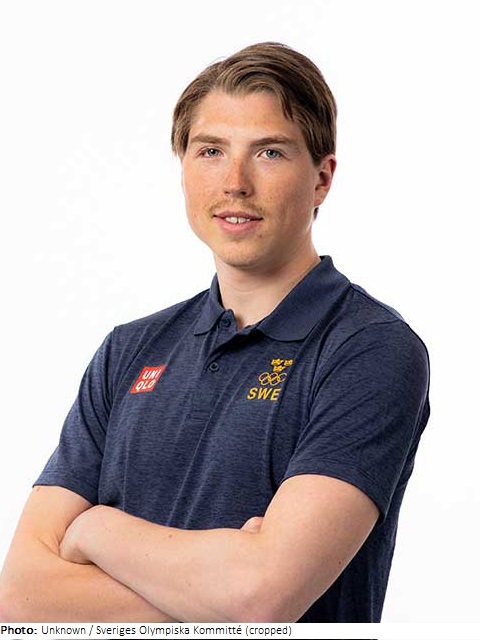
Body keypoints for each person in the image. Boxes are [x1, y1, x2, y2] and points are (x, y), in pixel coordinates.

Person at [0, 41, 430, 623]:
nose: (234, 182)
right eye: (210, 151)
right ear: (182, 167)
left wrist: (96, 529)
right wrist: (220, 585)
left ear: (322, 179)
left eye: (269, 152)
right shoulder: (128, 351)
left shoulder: (369, 349)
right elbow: (20, 594)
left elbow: (260, 598)